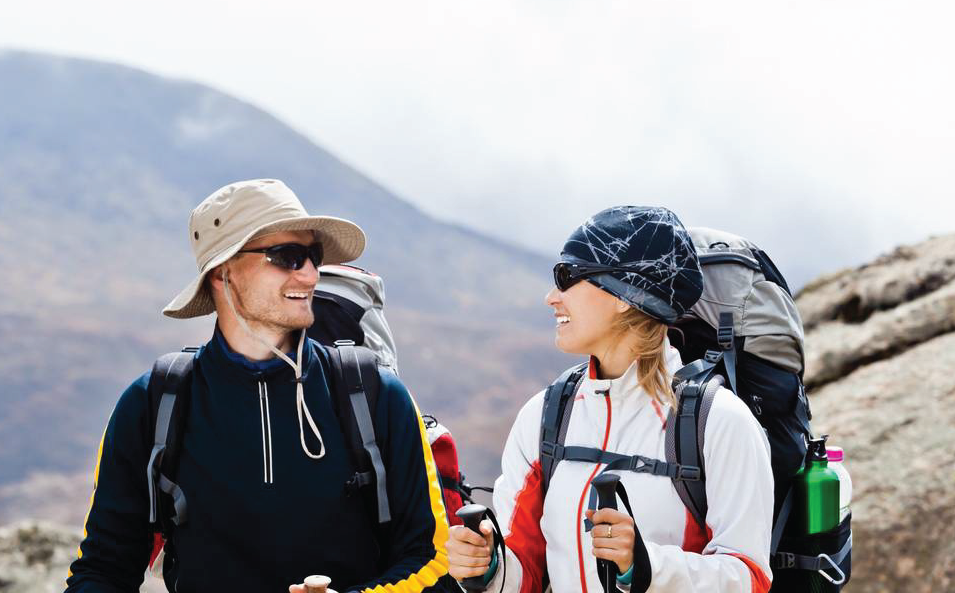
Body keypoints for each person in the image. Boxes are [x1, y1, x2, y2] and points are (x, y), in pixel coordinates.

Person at [66, 179, 451, 593]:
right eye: (287, 256)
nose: (310, 274)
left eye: (313, 256)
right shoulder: (152, 404)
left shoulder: (376, 395)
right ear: (222, 272)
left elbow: (436, 561)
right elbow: (104, 571)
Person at [446, 206, 775, 592]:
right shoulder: (545, 415)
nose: (552, 297)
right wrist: (487, 566)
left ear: (624, 293)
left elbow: (749, 577)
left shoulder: (718, 422)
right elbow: (526, 572)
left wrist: (646, 565)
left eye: (567, 277)